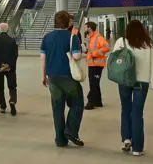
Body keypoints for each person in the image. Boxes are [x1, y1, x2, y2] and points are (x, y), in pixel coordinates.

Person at [113, 20, 153, 156]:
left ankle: (126, 138)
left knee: (125, 109)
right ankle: (137, 148)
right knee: (137, 113)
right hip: (142, 82)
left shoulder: (121, 42)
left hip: (124, 81)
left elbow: (112, 59)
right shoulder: (147, 44)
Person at [40, 11, 84, 147]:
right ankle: (70, 131)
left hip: (52, 77)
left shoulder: (47, 37)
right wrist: (82, 51)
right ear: (68, 22)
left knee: (57, 108)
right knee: (77, 104)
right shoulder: (72, 37)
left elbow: (43, 58)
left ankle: (60, 140)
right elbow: (76, 57)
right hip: (68, 77)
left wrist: (43, 76)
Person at [0, 23, 18, 116]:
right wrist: (9, 64)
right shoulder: (12, 41)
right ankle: (12, 101)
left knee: (0, 87)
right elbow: (15, 55)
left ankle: (2, 106)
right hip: (10, 68)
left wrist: (0, 64)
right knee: (12, 86)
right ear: (7, 29)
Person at [84, 22, 110, 110]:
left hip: (97, 65)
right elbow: (91, 50)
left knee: (94, 84)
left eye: (85, 27)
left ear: (89, 28)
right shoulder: (91, 38)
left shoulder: (98, 37)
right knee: (94, 83)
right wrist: (86, 51)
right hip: (91, 64)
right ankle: (98, 102)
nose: (84, 29)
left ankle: (90, 102)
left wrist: (95, 54)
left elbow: (107, 47)